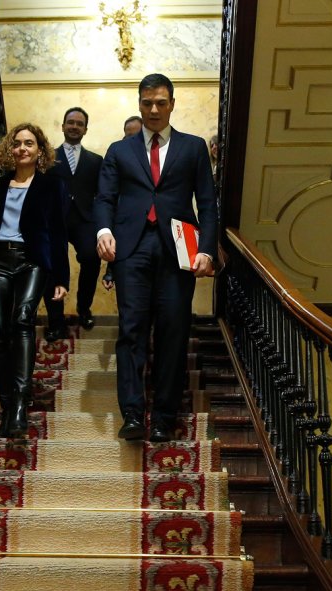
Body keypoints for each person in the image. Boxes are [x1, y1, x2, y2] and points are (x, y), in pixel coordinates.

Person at [95, 74, 218, 442]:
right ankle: (132, 414)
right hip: (131, 249)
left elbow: (208, 204)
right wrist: (103, 231)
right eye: (147, 102)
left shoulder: (193, 147)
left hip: (178, 250)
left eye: (161, 102)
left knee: (173, 333)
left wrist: (207, 249)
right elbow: (104, 198)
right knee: (131, 332)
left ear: (172, 104)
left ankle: (164, 417)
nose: (153, 109)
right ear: (139, 103)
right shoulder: (120, 150)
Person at [0, 123, 69, 438]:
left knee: (23, 320)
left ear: (40, 150)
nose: (22, 149)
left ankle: (18, 410)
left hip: (32, 261)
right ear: (10, 150)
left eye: (29, 143)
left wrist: (60, 278)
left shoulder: (51, 186)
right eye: (17, 144)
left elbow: (58, 234)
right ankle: (8, 402)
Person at [42, 107, 103, 340]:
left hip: (85, 220)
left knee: (91, 257)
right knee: (52, 269)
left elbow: (103, 193)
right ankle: (56, 322)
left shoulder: (96, 161)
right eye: (71, 122)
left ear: (86, 129)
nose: (74, 126)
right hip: (54, 220)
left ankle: (83, 308)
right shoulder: (47, 158)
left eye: (79, 123)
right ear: (63, 126)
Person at [101, 115, 147, 291]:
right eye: (129, 136)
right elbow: (114, 222)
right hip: (126, 251)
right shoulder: (118, 170)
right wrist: (110, 271)